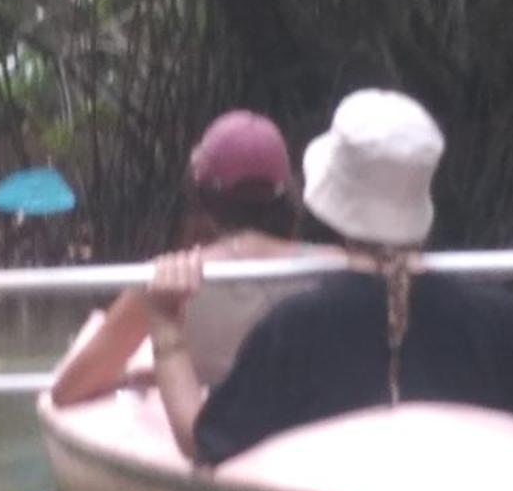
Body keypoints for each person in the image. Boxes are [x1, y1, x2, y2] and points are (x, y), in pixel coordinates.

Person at [141, 90, 513, 466]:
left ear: (330, 198)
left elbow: (199, 442)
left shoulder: (294, 328)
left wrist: (165, 326)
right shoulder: (497, 320)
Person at [50, 111, 333, 406]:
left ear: (201, 194)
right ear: (286, 190)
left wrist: (142, 376)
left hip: (214, 434)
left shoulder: (166, 281)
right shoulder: (339, 268)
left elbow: (67, 391)